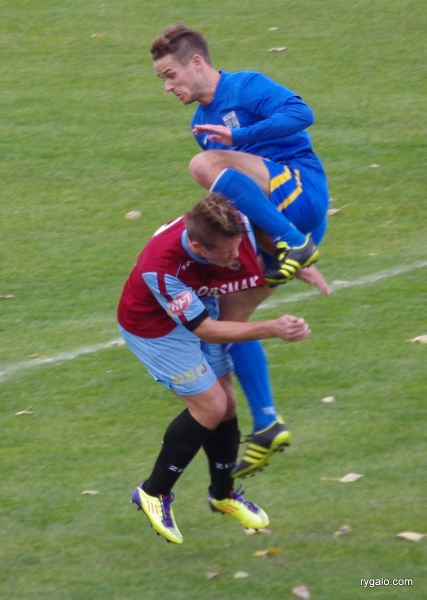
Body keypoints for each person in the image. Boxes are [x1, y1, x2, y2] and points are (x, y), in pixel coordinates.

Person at [149, 23, 330, 470]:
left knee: (203, 164)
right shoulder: (200, 124)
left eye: (170, 74)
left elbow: (302, 113)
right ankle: (267, 423)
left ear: (196, 62)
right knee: (231, 322)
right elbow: (239, 201)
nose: (168, 86)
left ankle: (296, 244)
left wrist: (241, 137)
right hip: (276, 227)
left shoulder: (245, 86)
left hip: (302, 190)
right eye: (162, 79)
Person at [117, 192, 311, 544]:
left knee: (228, 404)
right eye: (226, 253)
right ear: (197, 246)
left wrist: (302, 265)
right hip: (155, 329)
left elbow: (260, 233)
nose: (236, 257)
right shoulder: (161, 268)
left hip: (198, 302)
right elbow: (206, 330)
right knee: (211, 406)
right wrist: (273, 328)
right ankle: (153, 492)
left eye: (237, 247)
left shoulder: (223, 222)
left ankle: (222, 495)